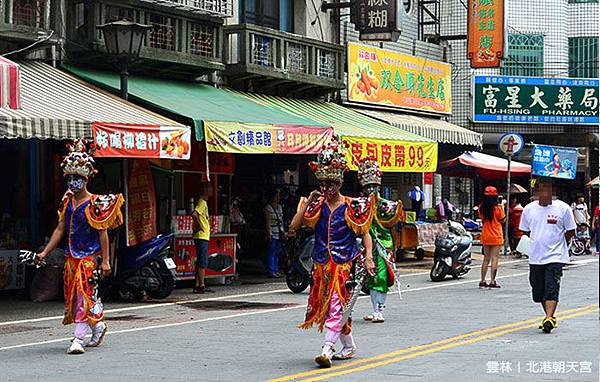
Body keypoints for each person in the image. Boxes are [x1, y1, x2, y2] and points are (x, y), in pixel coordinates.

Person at [289, 139, 374, 368]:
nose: (327, 188)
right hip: (321, 266)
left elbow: (365, 233)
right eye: (323, 183)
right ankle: (348, 345)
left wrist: (368, 257)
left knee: (336, 305)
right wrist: (308, 202)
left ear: (340, 182)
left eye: (331, 183)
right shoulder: (316, 204)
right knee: (328, 309)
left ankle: (326, 349)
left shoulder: (351, 205)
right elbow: (295, 226)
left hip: (343, 266)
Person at [36, 139, 124, 354]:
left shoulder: (95, 203)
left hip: (88, 258)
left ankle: (78, 338)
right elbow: (60, 229)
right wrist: (45, 252)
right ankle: (99, 326)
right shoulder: (67, 201)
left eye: (77, 178)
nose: (73, 182)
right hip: (70, 258)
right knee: (76, 297)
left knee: (84, 295)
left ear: (86, 179)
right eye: (70, 178)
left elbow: (102, 233)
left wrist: (104, 260)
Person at [519, 177, 576, 333]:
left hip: (555, 256)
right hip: (535, 256)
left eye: (548, 190)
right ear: (536, 193)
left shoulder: (563, 209)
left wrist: (560, 243)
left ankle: (549, 317)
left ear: (553, 192)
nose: (545, 193)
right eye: (541, 190)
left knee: (551, 287)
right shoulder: (528, 209)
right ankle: (549, 317)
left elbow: (571, 230)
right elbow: (525, 230)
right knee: (538, 291)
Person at [358, 159, 403, 324]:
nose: (371, 190)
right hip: (367, 247)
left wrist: (396, 246)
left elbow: (392, 228)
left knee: (381, 278)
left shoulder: (387, 206)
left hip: (384, 246)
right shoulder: (361, 206)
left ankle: (379, 309)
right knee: (371, 279)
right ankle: (374, 309)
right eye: (368, 187)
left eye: (374, 187)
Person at [478, 186, 506, 289]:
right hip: (496, 235)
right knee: (495, 258)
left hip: (486, 235)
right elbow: (502, 220)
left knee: (486, 259)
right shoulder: (498, 208)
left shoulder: (481, 207)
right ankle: (493, 281)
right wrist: (502, 206)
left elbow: (482, 218)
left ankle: (482, 280)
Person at [192, 185, 212, 294]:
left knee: (200, 260)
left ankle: (197, 284)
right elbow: (194, 214)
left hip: (202, 236)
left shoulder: (203, 202)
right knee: (202, 261)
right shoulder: (202, 202)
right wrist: (201, 226)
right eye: (210, 189)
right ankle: (202, 284)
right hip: (201, 236)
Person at [264, 188, 285, 278]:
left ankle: (276, 270)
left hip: (279, 232)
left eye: (278, 196)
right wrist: (269, 233)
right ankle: (271, 270)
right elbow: (267, 222)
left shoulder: (280, 207)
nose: (278, 198)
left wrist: (283, 232)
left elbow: (281, 220)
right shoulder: (268, 208)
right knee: (271, 251)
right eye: (276, 196)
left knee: (277, 252)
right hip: (272, 232)